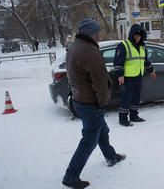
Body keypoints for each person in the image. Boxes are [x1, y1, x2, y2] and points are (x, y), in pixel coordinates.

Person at [62, 18, 126, 189]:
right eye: (98, 33)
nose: (99, 36)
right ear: (91, 33)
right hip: (91, 102)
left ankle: (111, 157)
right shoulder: (90, 52)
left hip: (80, 99)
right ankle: (71, 176)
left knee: (102, 131)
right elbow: (100, 82)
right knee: (89, 141)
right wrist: (103, 102)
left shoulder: (74, 46)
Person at [114, 24, 156, 127]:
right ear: (132, 34)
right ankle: (123, 119)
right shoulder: (124, 45)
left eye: (140, 35)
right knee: (126, 98)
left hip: (138, 76)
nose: (137, 37)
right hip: (128, 77)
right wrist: (120, 75)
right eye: (136, 35)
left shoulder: (142, 46)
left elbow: (145, 61)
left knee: (136, 98)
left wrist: (151, 71)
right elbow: (118, 62)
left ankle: (134, 116)